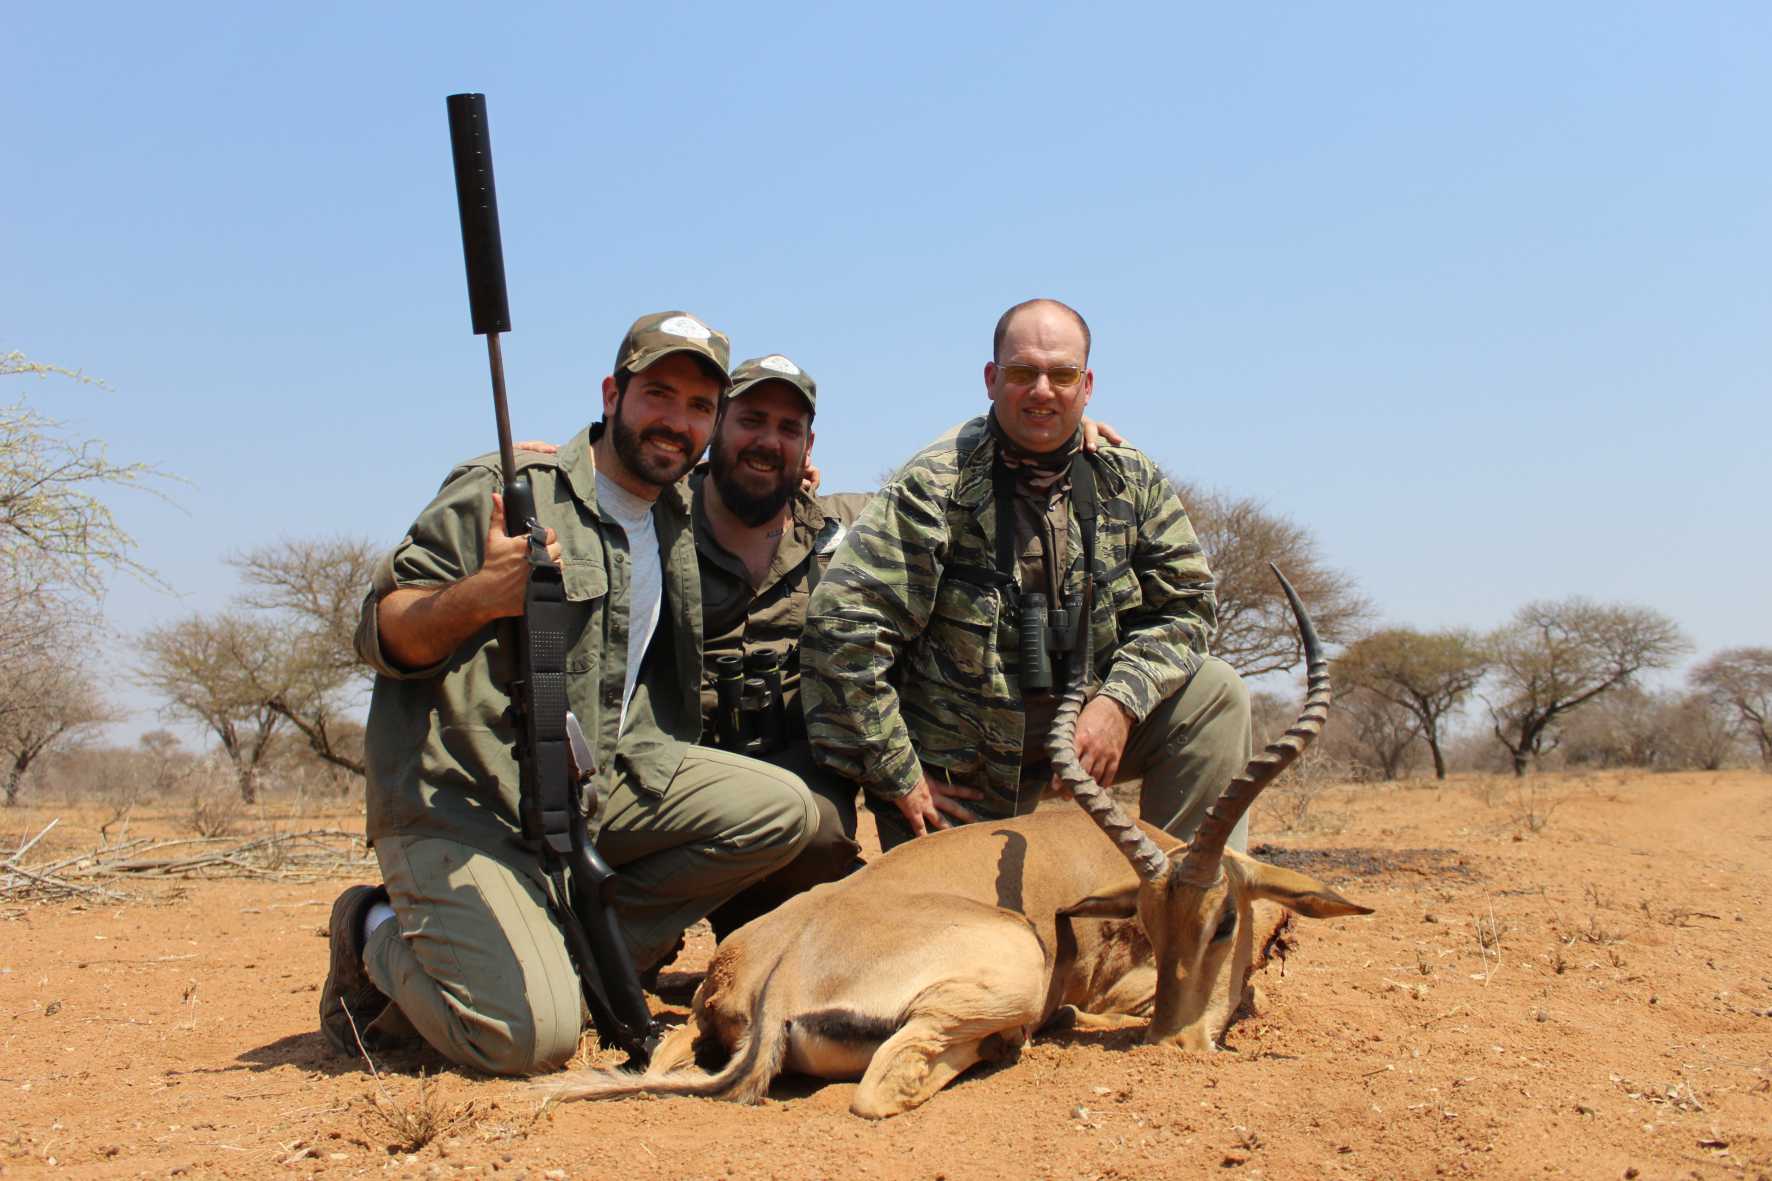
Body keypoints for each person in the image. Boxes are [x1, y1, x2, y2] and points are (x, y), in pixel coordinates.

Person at [321, 311, 818, 1075]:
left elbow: (777, 493)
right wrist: (479, 596)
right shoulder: (504, 488)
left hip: (593, 788)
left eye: (697, 407)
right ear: (613, 393)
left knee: (787, 811)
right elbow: (379, 630)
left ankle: (567, 946)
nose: (675, 421)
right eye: (658, 394)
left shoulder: (678, 513)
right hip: (467, 804)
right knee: (528, 1039)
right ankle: (370, 925)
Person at [802, 298, 1252, 853]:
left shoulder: (1128, 475)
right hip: (963, 769)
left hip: (1089, 727)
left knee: (1217, 694)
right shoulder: (934, 482)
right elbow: (842, 627)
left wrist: (1120, 703)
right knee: (964, 932)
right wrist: (899, 774)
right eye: (1022, 373)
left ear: (1086, 385)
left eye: (1061, 375)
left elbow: (1188, 606)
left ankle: (1187, 902)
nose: (1043, 391)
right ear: (991, 380)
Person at [687, 354, 871, 938]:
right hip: (681, 771)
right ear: (715, 424)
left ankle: (766, 920)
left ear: (809, 446)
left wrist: (1067, 440)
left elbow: (960, 496)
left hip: (796, 777)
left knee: (817, 831)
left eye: (789, 429)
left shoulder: (851, 526)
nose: (769, 440)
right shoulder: (654, 519)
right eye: (751, 420)